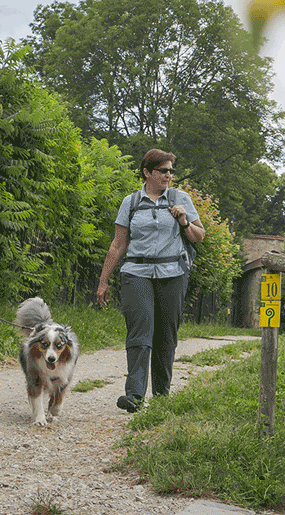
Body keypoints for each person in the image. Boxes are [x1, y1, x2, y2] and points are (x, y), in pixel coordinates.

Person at [94, 149, 204, 413]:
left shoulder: (181, 199)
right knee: (139, 334)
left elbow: (199, 236)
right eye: (163, 170)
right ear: (147, 172)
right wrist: (103, 281)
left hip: (173, 274)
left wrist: (184, 221)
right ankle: (134, 395)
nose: (169, 175)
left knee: (166, 335)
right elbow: (118, 245)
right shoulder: (130, 202)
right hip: (136, 273)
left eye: (171, 171)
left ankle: (162, 396)